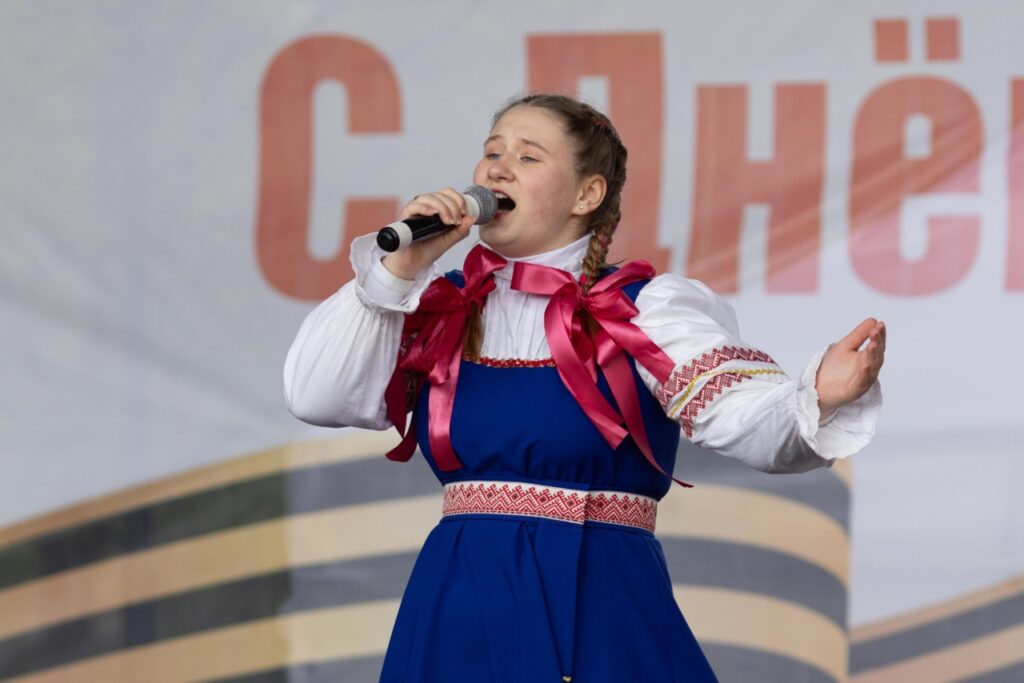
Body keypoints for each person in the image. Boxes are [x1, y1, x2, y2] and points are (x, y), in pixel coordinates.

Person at [283, 93, 884, 682]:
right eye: (492, 152)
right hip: (460, 604)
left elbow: (744, 419)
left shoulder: (642, 309)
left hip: (600, 603)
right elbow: (317, 397)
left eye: (527, 156)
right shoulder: (440, 306)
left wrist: (819, 396)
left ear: (587, 194)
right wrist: (397, 272)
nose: (497, 169)